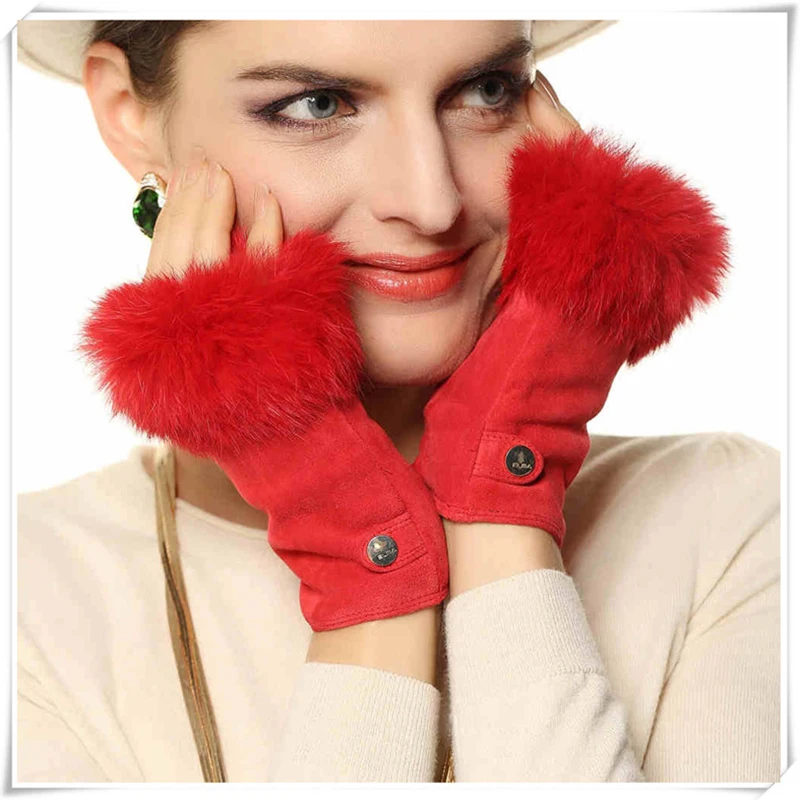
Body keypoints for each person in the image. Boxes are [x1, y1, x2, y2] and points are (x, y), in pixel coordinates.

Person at [15, 19, 780, 784]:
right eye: (317, 104)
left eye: (485, 92)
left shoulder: (733, 522)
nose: (430, 200)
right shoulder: (29, 603)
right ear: (129, 114)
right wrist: (361, 555)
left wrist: (498, 482)